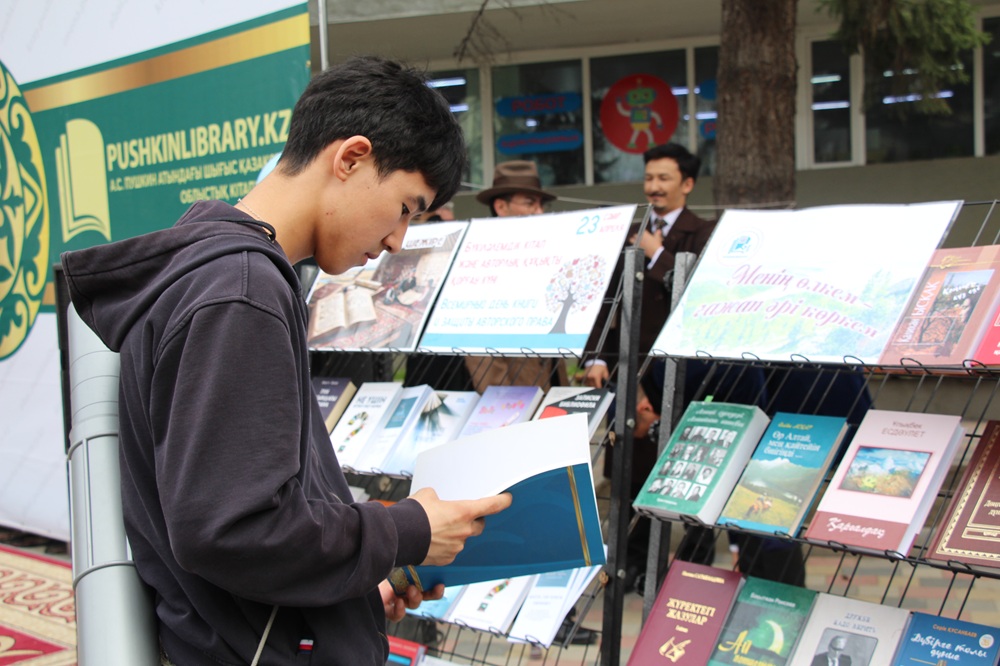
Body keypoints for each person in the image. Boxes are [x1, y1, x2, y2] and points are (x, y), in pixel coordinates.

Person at [61, 56, 512, 666]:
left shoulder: (221, 274)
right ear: (350, 158)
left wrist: (346, 592)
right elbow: (235, 530)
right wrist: (405, 529)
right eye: (407, 207)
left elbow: (231, 518)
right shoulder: (241, 289)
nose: (396, 242)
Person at [464, 160, 568, 393]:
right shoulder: (480, 259)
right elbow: (479, 345)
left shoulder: (542, 252)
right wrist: (501, 399)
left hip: (550, 385)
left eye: (541, 204)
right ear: (501, 207)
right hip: (510, 395)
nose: (539, 211)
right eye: (530, 203)